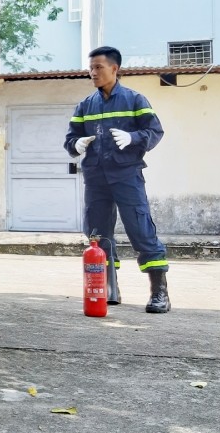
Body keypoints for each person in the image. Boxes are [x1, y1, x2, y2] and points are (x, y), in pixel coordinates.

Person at [64, 46, 171, 313]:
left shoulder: (135, 100)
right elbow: (69, 139)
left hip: (126, 175)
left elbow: (155, 131)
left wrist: (133, 138)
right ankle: (108, 288)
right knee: (97, 236)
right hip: (96, 177)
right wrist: (76, 144)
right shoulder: (84, 106)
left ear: (115, 68)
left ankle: (160, 293)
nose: (92, 73)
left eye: (98, 67)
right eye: (90, 68)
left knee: (141, 230)